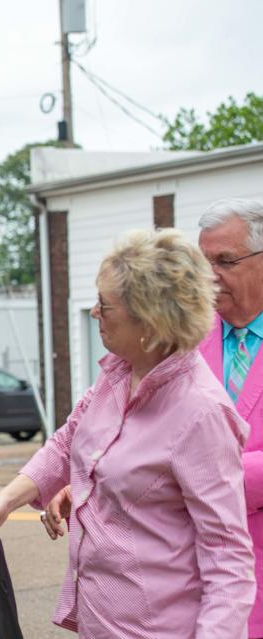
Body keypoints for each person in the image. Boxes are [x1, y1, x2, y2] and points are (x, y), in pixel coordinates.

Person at [0, 228, 256, 637]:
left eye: (105, 305)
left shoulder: (201, 412)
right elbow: (68, 442)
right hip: (102, 624)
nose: (94, 313)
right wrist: (4, 501)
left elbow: (228, 558)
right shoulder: (119, 373)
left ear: (149, 319)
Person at [41, 199, 263, 638]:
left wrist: (204, 472)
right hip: (184, 590)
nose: (211, 275)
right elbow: (141, 434)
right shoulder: (179, 337)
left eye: (226, 261)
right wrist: (100, 479)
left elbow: (190, 451)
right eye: (205, 262)